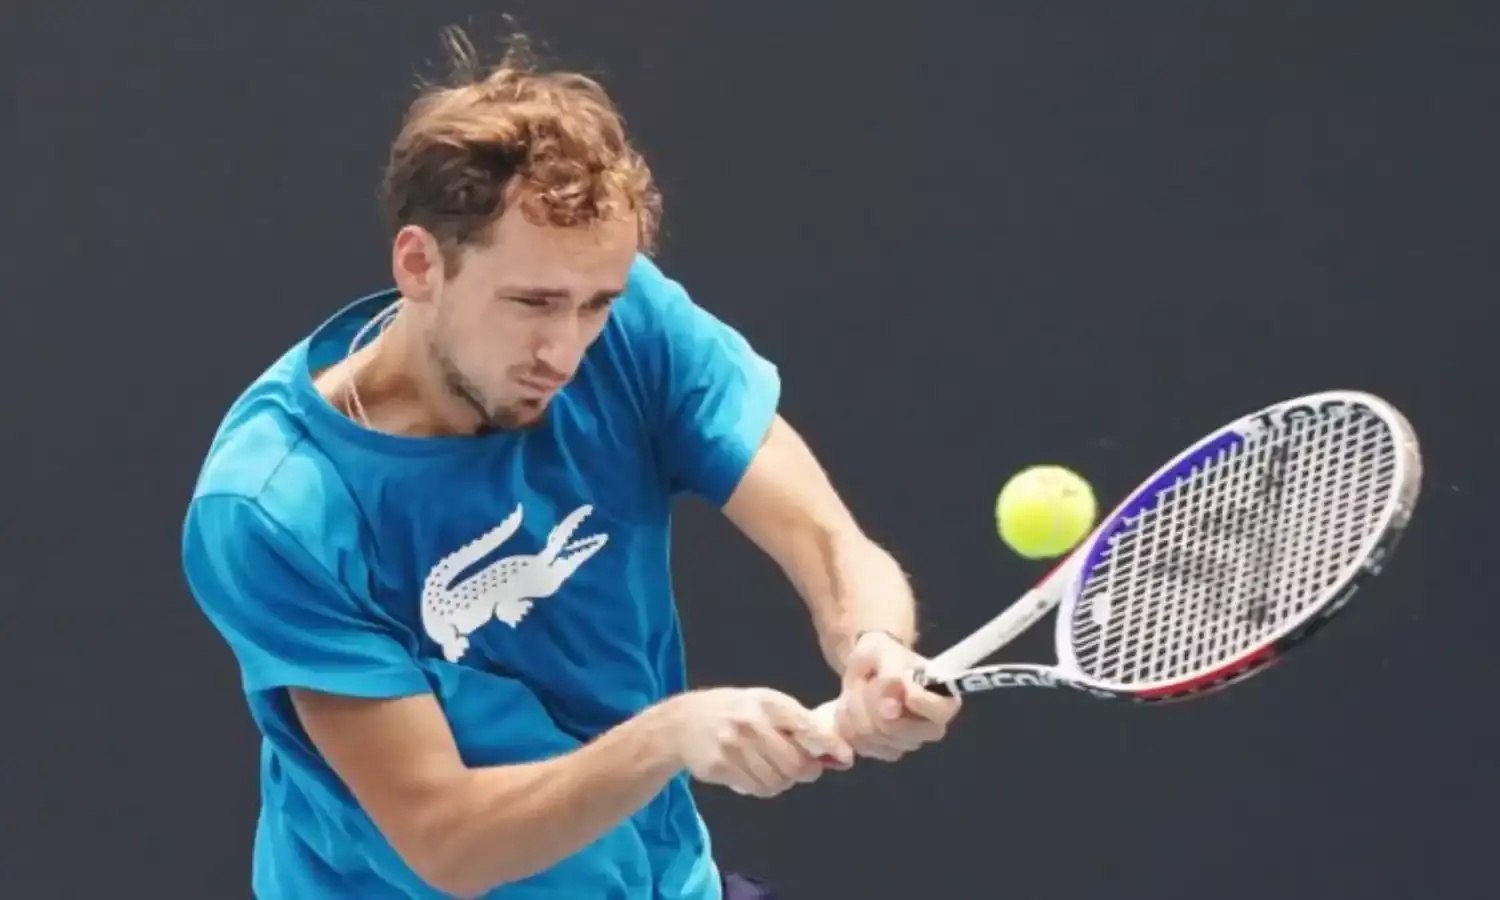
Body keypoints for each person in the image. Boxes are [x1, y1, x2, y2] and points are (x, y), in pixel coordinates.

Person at [180, 28, 960, 900]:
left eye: (595, 304)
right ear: (419, 264)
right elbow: (449, 842)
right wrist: (672, 736)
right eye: (533, 303)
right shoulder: (274, 505)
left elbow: (826, 538)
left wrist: (872, 643)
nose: (566, 347)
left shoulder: (633, 329)